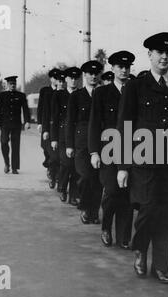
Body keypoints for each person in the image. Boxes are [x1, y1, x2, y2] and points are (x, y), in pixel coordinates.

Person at [117, 32, 168, 284]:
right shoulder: (135, 86)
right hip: (144, 162)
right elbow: (124, 125)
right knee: (148, 211)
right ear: (149, 55)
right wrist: (122, 166)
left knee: (166, 215)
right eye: (159, 52)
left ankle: (161, 266)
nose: (164, 56)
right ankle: (140, 251)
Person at [89, 51, 135, 248]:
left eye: (127, 67)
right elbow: (94, 123)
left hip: (132, 150)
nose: (124, 70)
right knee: (112, 191)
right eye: (120, 67)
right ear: (113, 68)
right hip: (108, 150)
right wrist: (94, 152)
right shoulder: (102, 93)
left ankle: (124, 236)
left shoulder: (135, 91)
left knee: (128, 194)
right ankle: (107, 227)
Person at [66, 61, 103, 224]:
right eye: (90, 74)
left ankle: (93, 212)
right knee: (85, 176)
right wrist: (69, 145)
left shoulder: (102, 93)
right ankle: (87, 207)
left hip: (101, 141)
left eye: (96, 74)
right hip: (81, 143)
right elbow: (70, 121)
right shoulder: (76, 96)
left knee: (97, 180)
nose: (93, 76)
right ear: (85, 75)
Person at [51, 67, 80, 206]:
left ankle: (73, 195)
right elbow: (55, 118)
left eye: (76, 78)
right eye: (71, 78)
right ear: (66, 79)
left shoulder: (80, 95)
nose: (73, 81)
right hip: (63, 134)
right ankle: (62, 187)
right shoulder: (59, 95)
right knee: (66, 163)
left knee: (76, 166)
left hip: (77, 135)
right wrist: (54, 138)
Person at [0, 76, 30, 174]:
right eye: (10, 84)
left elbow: (26, 109)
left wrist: (27, 121)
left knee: (15, 145)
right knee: (4, 142)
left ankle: (14, 168)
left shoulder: (21, 95)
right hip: (4, 124)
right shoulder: (2, 95)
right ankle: (7, 163)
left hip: (16, 124)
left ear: (16, 84)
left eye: (14, 83)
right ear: (7, 84)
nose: (12, 85)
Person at [43, 70, 64, 190]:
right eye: (58, 80)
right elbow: (46, 113)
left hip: (64, 130)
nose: (60, 83)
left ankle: (59, 179)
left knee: (62, 158)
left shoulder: (69, 94)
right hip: (52, 128)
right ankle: (52, 174)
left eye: (62, 81)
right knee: (54, 156)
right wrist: (45, 129)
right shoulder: (49, 94)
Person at [37, 68, 60, 173]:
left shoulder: (62, 91)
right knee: (46, 146)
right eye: (54, 78)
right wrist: (40, 123)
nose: (56, 80)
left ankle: (53, 170)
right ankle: (49, 163)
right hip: (47, 122)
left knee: (55, 149)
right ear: (51, 79)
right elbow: (41, 107)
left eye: (58, 78)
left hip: (58, 124)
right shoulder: (45, 91)